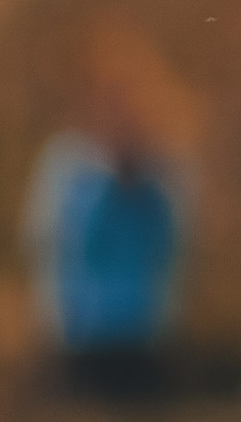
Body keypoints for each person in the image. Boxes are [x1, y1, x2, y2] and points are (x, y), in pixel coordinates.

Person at [23, 107, 194, 398]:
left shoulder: (154, 193)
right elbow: (68, 247)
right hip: (87, 337)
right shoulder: (81, 184)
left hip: (138, 336)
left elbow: (170, 251)